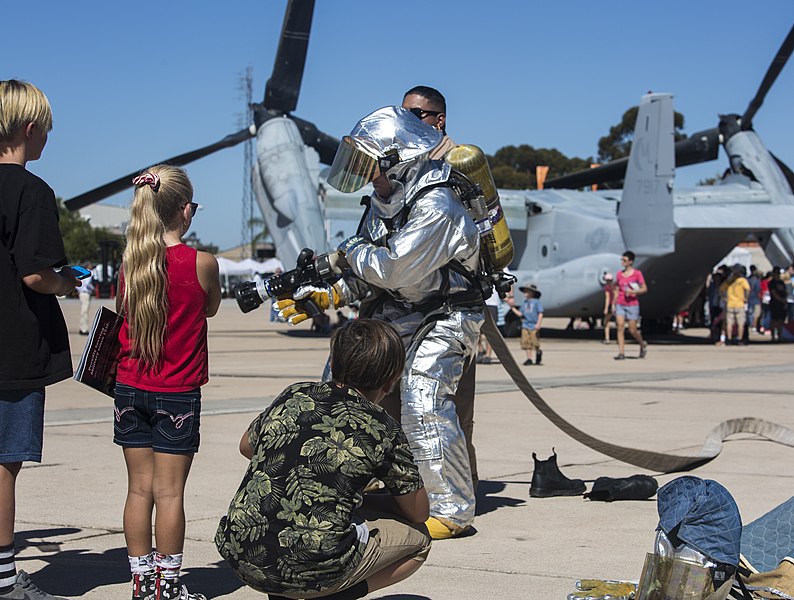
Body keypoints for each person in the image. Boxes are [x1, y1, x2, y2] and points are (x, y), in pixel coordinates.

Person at [278, 106, 482, 540]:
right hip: (399, 307)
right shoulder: (384, 204)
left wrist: (344, 255)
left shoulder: (437, 205)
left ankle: (451, 509)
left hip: (448, 312)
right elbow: (372, 277)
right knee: (341, 381)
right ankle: (339, 484)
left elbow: (392, 269)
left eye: (373, 168)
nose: (370, 178)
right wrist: (328, 294)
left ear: (400, 162)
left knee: (422, 391)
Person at [215, 319, 431, 600]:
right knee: (420, 540)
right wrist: (368, 500)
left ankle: (284, 593)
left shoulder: (296, 394)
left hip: (241, 554)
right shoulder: (382, 427)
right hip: (313, 564)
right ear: (391, 379)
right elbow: (419, 512)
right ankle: (334, 595)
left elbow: (247, 446)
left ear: (335, 362)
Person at [114, 165, 221, 600]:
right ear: (183, 211)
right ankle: (169, 587)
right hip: (176, 392)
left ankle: (142, 582)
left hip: (128, 387)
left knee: (139, 490)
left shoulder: (131, 264)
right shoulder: (201, 262)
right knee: (170, 492)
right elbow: (210, 308)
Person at [0, 79, 80, 600]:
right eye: (46, 130)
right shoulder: (34, 192)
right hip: (12, 349)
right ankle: (5, 579)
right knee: (4, 466)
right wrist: (65, 282)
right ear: (30, 129)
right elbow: (34, 274)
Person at [398, 85, 480, 492]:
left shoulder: (455, 167)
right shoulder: (408, 165)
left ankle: (457, 494)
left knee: (444, 403)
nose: (407, 120)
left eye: (416, 114)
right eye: (403, 112)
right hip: (413, 306)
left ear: (438, 119)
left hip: (451, 306)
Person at [614, 250, 648, 360]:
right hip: (621, 303)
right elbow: (617, 289)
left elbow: (644, 289)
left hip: (632, 304)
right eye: (622, 260)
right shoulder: (619, 274)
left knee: (632, 330)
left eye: (625, 260)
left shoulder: (637, 274)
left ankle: (642, 343)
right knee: (620, 326)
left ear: (631, 262)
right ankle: (621, 353)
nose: (622, 262)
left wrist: (633, 292)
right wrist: (614, 303)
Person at [511, 283, 544, 365]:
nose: (525, 292)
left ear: (532, 292)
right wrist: (512, 308)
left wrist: (538, 324)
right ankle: (529, 358)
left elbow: (540, 313)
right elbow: (521, 314)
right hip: (525, 325)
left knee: (535, 342)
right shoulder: (524, 303)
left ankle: (538, 352)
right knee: (526, 342)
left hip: (534, 325)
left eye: (527, 291)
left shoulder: (537, 302)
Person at [722, 264, 750, 345]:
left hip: (730, 304)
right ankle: (740, 339)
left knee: (729, 323)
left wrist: (724, 298)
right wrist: (746, 299)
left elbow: (721, 289)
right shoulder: (742, 280)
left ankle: (729, 339)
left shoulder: (729, 280)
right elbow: (748, 289)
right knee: (740, 323)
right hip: (739, 304)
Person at [768, 267, 787, 342]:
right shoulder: (772, 283)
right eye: (776, 273)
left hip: (782, 304)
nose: (777, 275)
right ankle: (773, 336)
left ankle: (780, 335)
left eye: (778, 273)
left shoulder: (781, 282)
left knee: (781, 320)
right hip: (775, 304)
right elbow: (774, 293)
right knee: (774, 320)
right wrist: (781, 300)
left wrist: (784, 301)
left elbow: (785, 292)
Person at [77, 262, 95, 335]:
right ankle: (84, 329)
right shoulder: (89, 273)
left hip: (82, 293)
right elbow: (88, 284)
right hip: (86, 293)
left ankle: (82, 327)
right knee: (85, 311)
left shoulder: (81, 273)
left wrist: (80, 290)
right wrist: (92, 288)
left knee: (83, 311)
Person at [602, 273, 617, 343]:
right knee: (618, 323)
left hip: (610, 306)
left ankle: (607, 339)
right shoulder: (615, 287)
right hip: (617, 305)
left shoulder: (607, 287)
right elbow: (616, 295)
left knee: (606, 322)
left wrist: (606, 308)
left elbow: (607, 298)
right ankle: (619, 338)